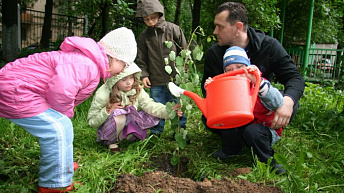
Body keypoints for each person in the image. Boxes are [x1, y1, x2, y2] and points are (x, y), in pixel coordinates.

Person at [0, 27, 137, 192]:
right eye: (125, 64)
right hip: (16, 90)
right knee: (57, 129)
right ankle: (54, 185)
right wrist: (63, 113)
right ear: (114, 58)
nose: (124, 70)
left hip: (22, 89)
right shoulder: (87, 64)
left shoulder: (87, 62)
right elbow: (61, 90)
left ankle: (60, 165)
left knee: (63, 125)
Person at [201, 2, 305, 171]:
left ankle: (261, 139)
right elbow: (207, 92)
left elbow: (295, 78)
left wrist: (287, 102)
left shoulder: (269, 46)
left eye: (220, 27)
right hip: (233, 108)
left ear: (238, 27)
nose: (215, 32)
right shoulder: (215, 54)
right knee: (208, 116)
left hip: (262, 107)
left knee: (288, 101)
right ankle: (234, 144)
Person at [204, 46, 285, 173]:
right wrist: (212, 89)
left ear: (248, 66)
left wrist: (259, 84)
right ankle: (232, 149)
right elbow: (216, 110)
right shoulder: (228, 88)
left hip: (264, 128)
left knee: (252, 132)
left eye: (239, 66)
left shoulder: (258, 82)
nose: (235, 71)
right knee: (226, 119)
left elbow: (278, 101)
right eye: (229, 69)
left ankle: (268, 161)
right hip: (242, 124)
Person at [87, 63, 183, 151]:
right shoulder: (103, 93)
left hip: (127, 126)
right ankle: (111, 142)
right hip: (109, 128)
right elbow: (92, 121)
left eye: (131, 78)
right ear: (115, 80)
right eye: (124, 80)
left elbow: (150, 105)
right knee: (119, 114)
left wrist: (170, 111)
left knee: (151, 114)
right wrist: (108, 110)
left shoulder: (136, 89)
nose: (129, 83)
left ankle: (130, 136)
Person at [135, 0, 188, 136]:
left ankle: (180, 131)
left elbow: (184, 51)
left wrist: (184, 72)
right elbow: (141, 58)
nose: (151, 22)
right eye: (146, 20)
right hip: (155, 79)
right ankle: (156, 132)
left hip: (175, 79)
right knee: (157, 105)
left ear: (159, 14)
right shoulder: (143, 37)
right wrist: (144, 75)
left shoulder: (173, 29)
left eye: (153, 17)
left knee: (177, 105)